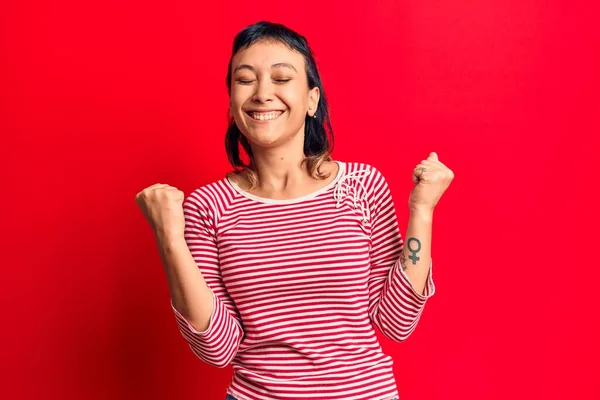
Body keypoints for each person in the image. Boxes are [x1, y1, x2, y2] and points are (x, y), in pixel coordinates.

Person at [136, 21, 454, 400]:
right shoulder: (208, 206)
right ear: (233, 101)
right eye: (245, 79)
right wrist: (170, 239)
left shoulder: (362, 186)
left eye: (282, 78)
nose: (262, 93)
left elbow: (396, 322)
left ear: (312, 100)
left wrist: (422, 211)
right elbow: (218, 348)